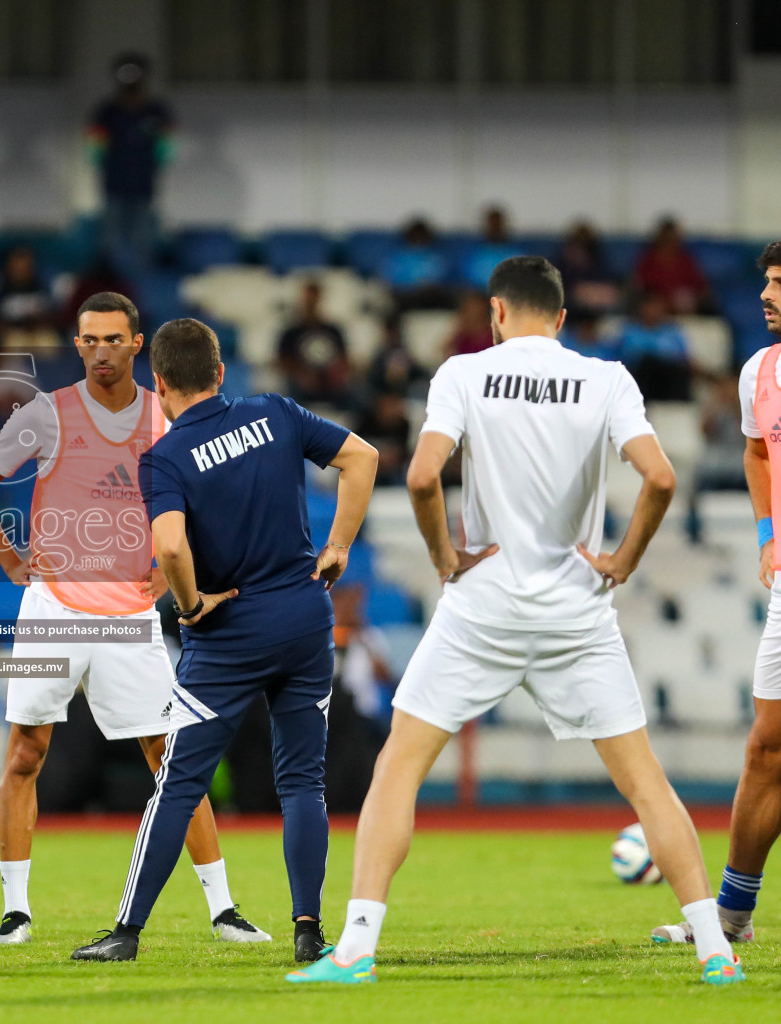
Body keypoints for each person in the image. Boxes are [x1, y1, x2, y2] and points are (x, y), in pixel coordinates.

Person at [290, 256, 741, 986]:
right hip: (576, 612)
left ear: (496, 313)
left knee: (398, 769)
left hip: (484, 606)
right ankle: (715, 953)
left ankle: (354, 951)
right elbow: (661, 476)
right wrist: (622, 559)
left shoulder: (463, 375)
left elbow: (419, 474)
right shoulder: (606, 379)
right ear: (561, 319)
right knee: (647, 785)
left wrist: (446, 558)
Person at [0, 293, 272, 952]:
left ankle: (223, 908)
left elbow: (209, 506)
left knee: (173, 760)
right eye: (88, 339)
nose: (100, 350)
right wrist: (12, 563)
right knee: (25, 753)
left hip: (129, 615)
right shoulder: (46, 415)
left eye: (112, 339)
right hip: (49, 611)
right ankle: (15, 911)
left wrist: (165, 578)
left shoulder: (168, 418)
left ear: (137, 345)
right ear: (77, 346)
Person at [68, 317, 377, 964]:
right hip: (302, 618)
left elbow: (172, 544)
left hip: (229, 636)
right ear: (218, 373)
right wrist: (338, 546)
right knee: (302, 783)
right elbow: (363, 457)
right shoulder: (275, 411)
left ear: (158, 383)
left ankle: (126, 932)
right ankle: (307, 929)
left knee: (179, 783)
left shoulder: (165, 458)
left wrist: (190, 605)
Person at [652, 241, 781, 947]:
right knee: (768, 749)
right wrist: (767, 531)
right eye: (765, 281)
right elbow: (759, 450)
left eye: (780, 283)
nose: (766, 295)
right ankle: (732, 917)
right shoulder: (760, 371)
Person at [87, 53, 172, 277]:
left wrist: (154, 162)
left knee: (143, 241)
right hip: (114, 185)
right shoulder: (107, 113)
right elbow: (94, 149)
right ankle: (109, 281)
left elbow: (167, 149)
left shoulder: (156, 112)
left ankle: (141, 283)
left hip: (143, 185)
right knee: (110, 239)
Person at [276, 280, 354, 409]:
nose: (311, 304)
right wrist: (300, 373)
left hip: (330, 382)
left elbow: (344, 360)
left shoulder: (333, 331)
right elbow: (282, 361)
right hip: (300, 384)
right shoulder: (291, 332)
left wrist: (335, 373)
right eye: (308, 299)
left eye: (314, 299)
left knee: (355, 394)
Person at [619, 291, 692, 401]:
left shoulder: (672, 331)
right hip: (640, 377)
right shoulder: (630, 331)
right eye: (650, 308)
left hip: (669, 378)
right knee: (648, 363)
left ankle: (675, 406)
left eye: (657, 308)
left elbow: (684, 358)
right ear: (642, 309)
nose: (653, 312)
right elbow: (625, 358)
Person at [635, 217, 710, 315]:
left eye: (673, 237)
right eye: (667, 237)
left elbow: (699, 285)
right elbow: (641, 284)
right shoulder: (648, 259)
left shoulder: (685, 259)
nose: (670, 241)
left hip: (683, 303)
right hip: (656, 302)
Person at [380, 218, 451, 310]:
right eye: (415, 237)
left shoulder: (434, 257)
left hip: (430, 296)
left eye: (422, 237)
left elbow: (440, 280)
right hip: (406, 296)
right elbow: (391, 281)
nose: (418, 240)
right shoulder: (399, 257)